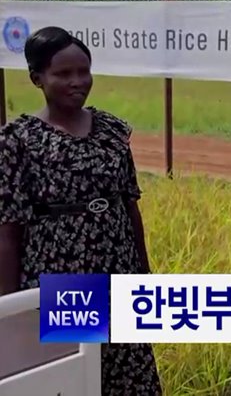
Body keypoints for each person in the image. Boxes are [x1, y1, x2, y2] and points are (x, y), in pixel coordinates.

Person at [0, 26, 161, 395]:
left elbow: (130, 207)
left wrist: (143, 274)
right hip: (64, 278)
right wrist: (11, 311)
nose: (77, 81)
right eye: (63, 74)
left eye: (83, 71)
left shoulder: (112, 131)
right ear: (36, 78)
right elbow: (8, 233)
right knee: (75, 380)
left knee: (128, 373)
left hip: (117, 272)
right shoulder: (18, 141)